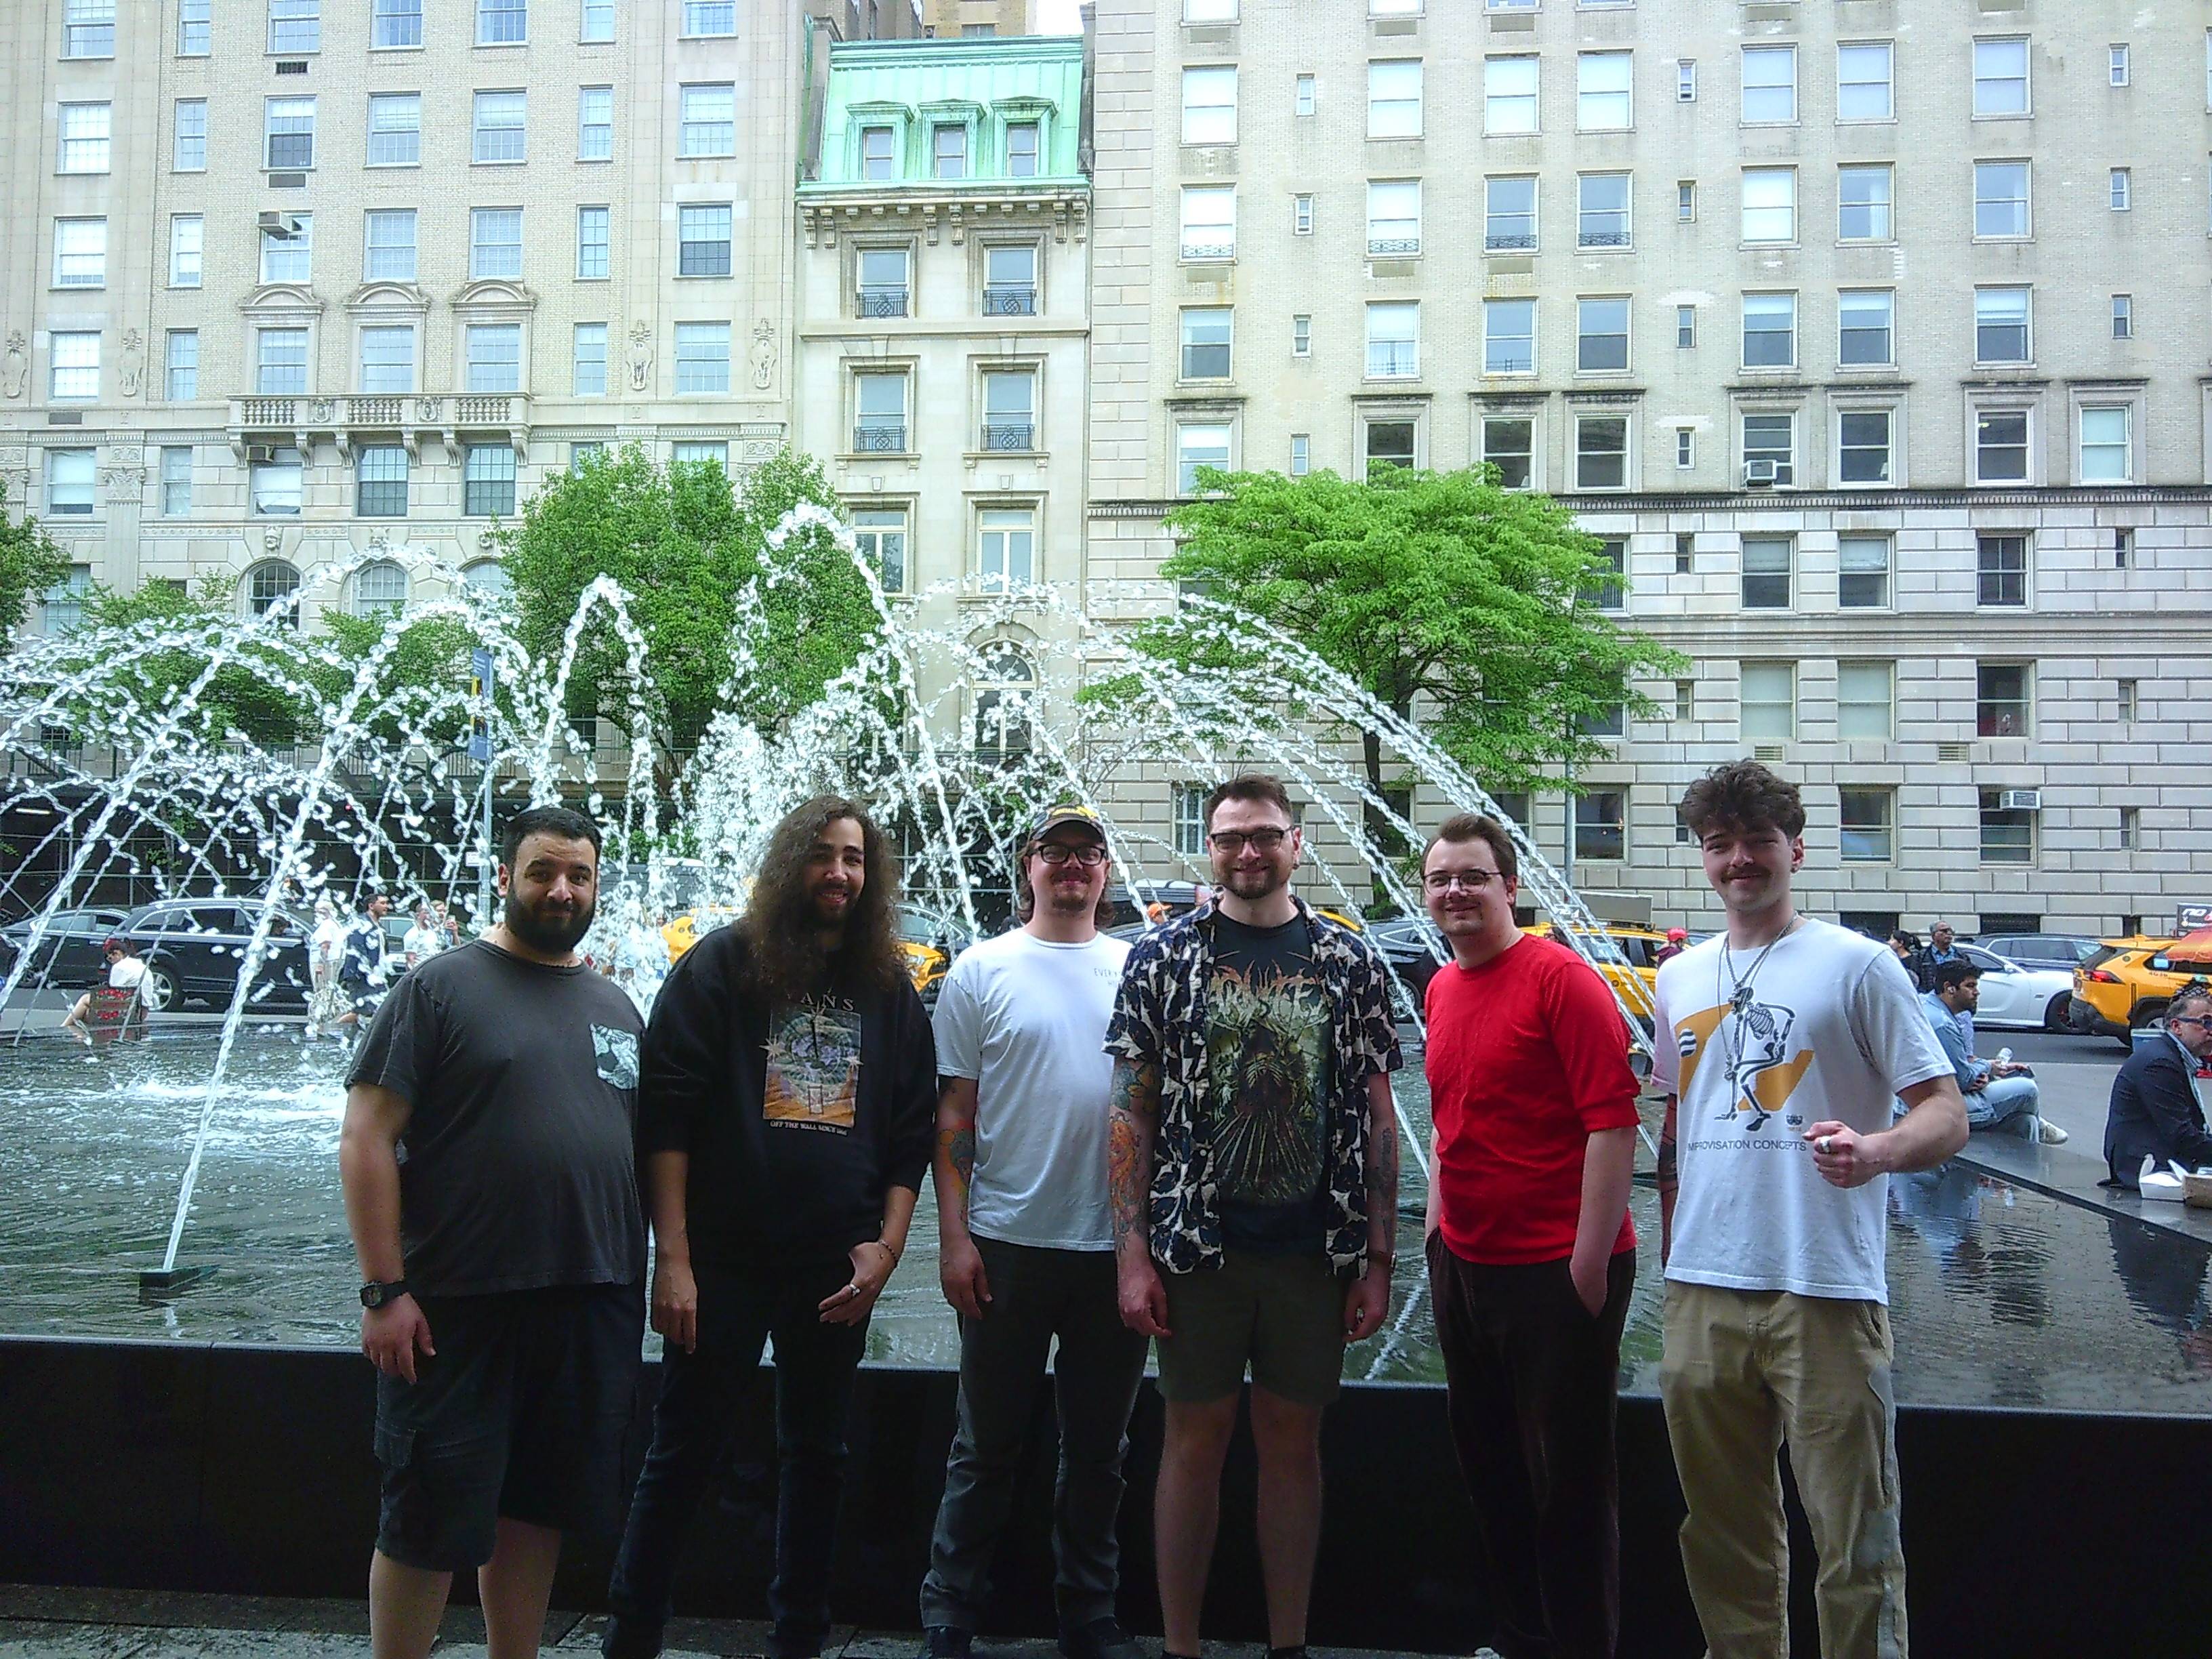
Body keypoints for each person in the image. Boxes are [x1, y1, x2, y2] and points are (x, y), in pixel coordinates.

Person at [605, 797, 937, 1659]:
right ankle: (630, 1636)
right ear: (791, 863)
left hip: (834, 1264)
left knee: (818, 1456)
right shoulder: (723, 965)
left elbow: (910, 1128)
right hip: (723, 1261)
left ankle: (800, 1638)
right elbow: (666, 1118)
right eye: (823, 855)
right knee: (681, 1453)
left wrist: (889, 1246)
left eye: (855, 859)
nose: (839, 873)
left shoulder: (885, 988)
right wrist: (670, 1261)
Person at [1652, 760, 1967, 1659]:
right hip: (1703, 1288)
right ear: (1704, 859)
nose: (1740, 860)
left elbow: (1945, 1113)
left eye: (1758, 842)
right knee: (1721, 1533)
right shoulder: (1679, 977)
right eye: (1721, 845)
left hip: (1825, 1287)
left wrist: (1875, 1154)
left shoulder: (1858, 966)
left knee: (1854, 1538)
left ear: (1796, 848)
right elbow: (1680, 1116)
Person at [1104, 773, 1401, 1659]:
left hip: (1314, 1252)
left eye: (1266, 835)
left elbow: (1381, 1116)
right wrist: (1130, 1256)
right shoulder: (1162, 959)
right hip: (1198, 1252)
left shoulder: (1346, 960)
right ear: (1212, 847)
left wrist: (1378, 1258)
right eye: (1231, 837)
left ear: (1296, 844)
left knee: (1292, 1447)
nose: (1248, 851)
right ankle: (1182, 1646)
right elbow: (1130, 1113)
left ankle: (1288, 1644)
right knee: (1191, 1444)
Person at [337, 804, 645, 1659]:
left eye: (579, 875)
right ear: (504, 878)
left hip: (588, 1300)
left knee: (538, 1507)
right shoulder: (439, 988)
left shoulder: (615, 1004)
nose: (562, 889)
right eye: (543, 871)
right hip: (458, 1305)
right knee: (429, 1514)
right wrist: (384, 1290)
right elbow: (366, 1137)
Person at [917, 805, 1145, 1659]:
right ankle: (948, 1611)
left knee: (1099, 1452)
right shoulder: (981, 971)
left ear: (1106, 869)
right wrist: (955, 1237)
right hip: (1006, 1242)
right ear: (1029, 866)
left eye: (1089, 854)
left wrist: (1143, 1248)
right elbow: (955, 1114)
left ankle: (1088, 1613)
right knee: (984, 1445)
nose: (1074, 868)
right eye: (1058, 853)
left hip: (1111, 1250)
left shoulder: (1137, 967)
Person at [1419, 814, 1640, 1659]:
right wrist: (1439, 1231)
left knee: (1571, 1488)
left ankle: (1582, 1646)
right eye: (1441, 879)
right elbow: (1448, 1120)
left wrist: (1584, 1268)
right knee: (1493, 1473)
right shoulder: (1444, 988)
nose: (1454, 892)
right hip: (1466, 1265)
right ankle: (1521, 1638)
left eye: (1472, 877)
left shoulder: (1561, 980)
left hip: (1555, 1272)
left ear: (1510, 887)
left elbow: (1613, 1126)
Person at [1921, 960, 2064, 1144]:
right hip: (1939, 1107)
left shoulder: (1926, 1004)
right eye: (1970, 986)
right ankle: (2041, 1128)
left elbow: (1957, 1066)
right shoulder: (1943, 1024)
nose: (1977, 992)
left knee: (2025, 1122)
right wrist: (1986, 1067)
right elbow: (1964, 1081)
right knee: (2028, 1089)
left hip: (1928, 1097)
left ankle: (2033, 1135)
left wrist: (1986, 1068)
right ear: (1950, 988)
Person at [2103, 982, 2212, 1185]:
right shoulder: (2160, 1063)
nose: (2210, 1031)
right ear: (2177, 1026)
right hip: (2148, 1166)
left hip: (2165, 1157)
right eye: (2205, 1023)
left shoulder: (2174, 1056)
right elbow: (2181, 1135)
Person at [60, 937, 148, 1044]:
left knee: (84, 1001)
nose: (111, 959)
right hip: (138, 1015)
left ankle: (68, 1029)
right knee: (86, 1012)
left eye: (112, 956)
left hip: (122, 1013)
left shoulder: (119, 967)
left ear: (120, 954)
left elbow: (113, 994)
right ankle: (79, 1034)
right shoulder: (144, 967)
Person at [337, 891, 394, 1036]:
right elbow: (356, 950)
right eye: (382, 903)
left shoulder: (379, 927)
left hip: (375, 976)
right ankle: (332, 1030)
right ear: (371, 906)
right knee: (360, 1011)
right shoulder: (361, 924)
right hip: (361, 975)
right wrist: (361, 973)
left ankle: (354, 1039)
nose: (386, 906)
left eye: (386, 903)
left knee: (375, 1008)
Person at [309, 898, 348, 1038]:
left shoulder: (325, 925)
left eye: (317, 911)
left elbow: (325, 946)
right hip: (335, 961)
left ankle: (320, 1026)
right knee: (329, 993)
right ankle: (326, 1025)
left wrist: (320, 964)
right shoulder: (336, 924)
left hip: (324, 963)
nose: (316, 914)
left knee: (321, 993)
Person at [1906, 920, 1963, 994]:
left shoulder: (1961, 955)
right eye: (1944, 931)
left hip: (1955, 998)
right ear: (1934, 935)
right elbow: (1914, 981)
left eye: (1950, 931)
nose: (1949, 934)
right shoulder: (1921, 957)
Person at [402, 903, 445, 972]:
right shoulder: (413, 934)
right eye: (426, 913)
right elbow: (410, 960)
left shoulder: (432, 932)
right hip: (421, 973)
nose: (430, 915)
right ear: (418, 915)